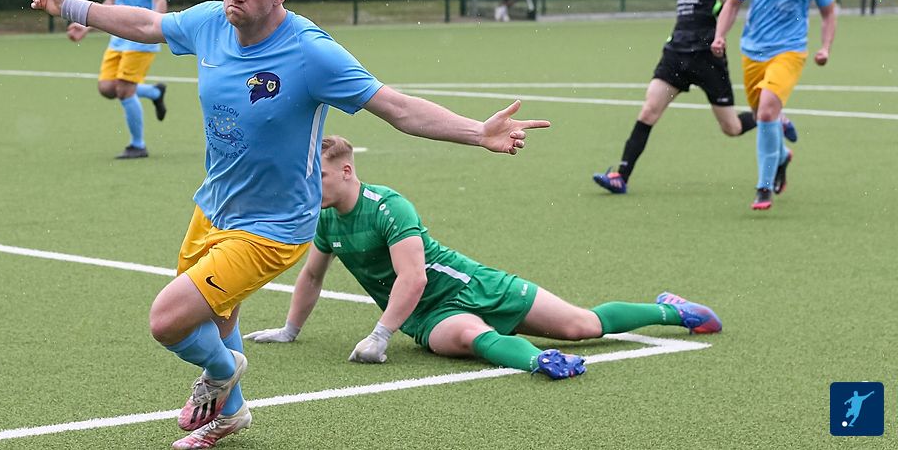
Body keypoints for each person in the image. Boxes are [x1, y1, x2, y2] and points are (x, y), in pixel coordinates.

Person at [29, 0, 550, 450]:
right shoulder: (210, 22)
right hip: (213, 206)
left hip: (274, 227)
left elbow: (397, 108)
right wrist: (69, 6)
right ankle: (231, 415)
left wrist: (477, 132)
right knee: (218, 313)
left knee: (168, 321)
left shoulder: (310, 52)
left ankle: (222, 371)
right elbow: (147, 24)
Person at [245, 135, 721, 379]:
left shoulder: (388, 206)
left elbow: (413, 278)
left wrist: (379, 336)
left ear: (346, 170)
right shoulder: (325, 219)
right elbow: (311, 277)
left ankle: (670, 310)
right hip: (429, 316)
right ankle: (541, 361)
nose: (309, 188)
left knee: (583, 326)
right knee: (471, 336)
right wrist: (290, 330)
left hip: (470, 283)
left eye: (318, 178)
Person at [592, 0, 797, 195]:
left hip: (707, 56)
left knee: (732, 127)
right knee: (649, 110)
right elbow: (693, 2)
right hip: (676, 52)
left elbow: (732, 0)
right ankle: (621, 176)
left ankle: (771, 119)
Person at [712, 0, 836, 210]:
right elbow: (733, 3)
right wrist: (720, 35)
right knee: (762, 116)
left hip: (790, 51)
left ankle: (763, 187)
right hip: (753, 51)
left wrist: (825, 47)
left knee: (767, 112)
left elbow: (828, 13)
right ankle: (781, 156)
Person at [66, 0, 168, 159]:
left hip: (141, 37)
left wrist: (158, 27)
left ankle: (138, 145)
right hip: (118, 38)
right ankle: (154, 93)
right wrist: (85, 25)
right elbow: (111, 1)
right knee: (106, 87)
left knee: (124, 89)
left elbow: (160, 0)